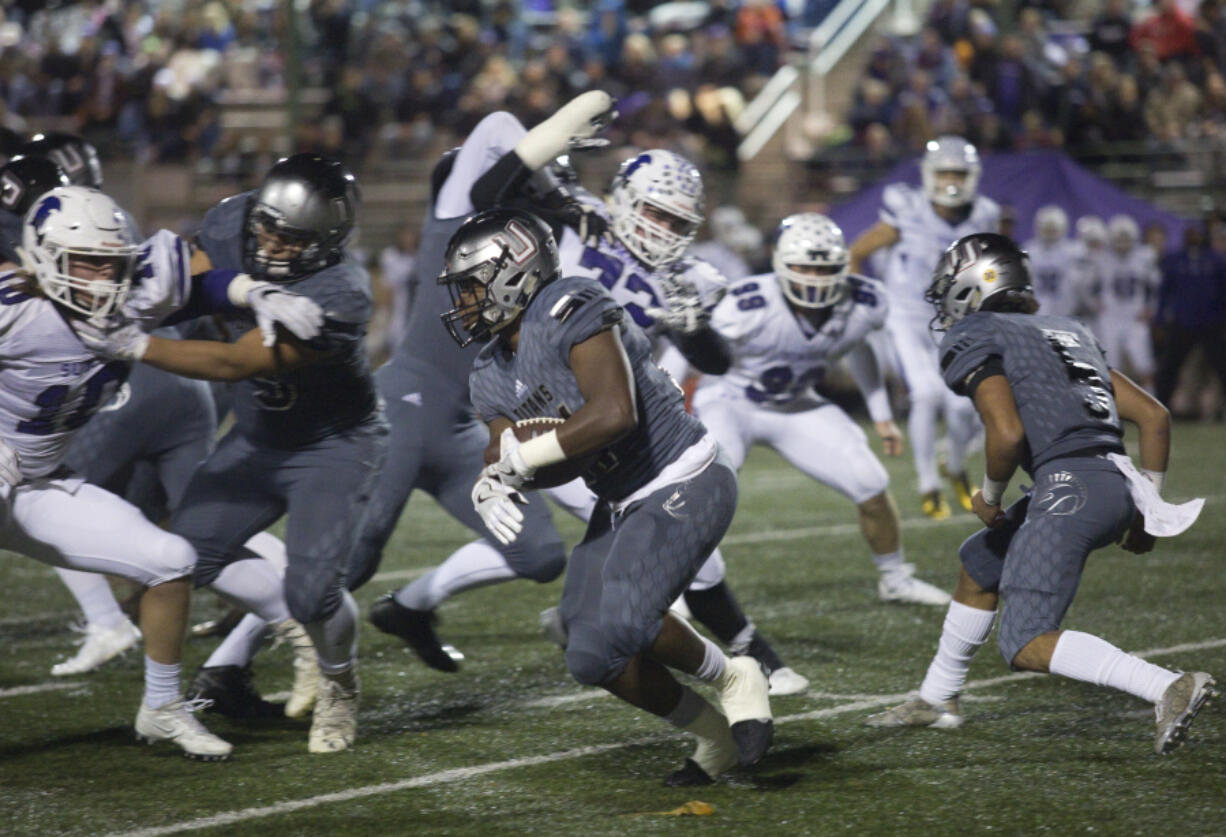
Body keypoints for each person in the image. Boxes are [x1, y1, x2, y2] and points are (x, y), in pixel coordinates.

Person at [453, 207, 773, 786]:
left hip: (683, 473)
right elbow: (518, 453)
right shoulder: (488, 371)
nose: (466, 303)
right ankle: (713, 737)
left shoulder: (568, 304)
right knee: (590, 652)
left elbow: (614, 414)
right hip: (622, 500)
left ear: (513, 270)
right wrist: (498, 477)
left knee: (628, 617)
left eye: (472, 285)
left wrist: (522, 458)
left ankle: (733, 676)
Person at [2, 184, 323, 759]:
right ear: (47, 257)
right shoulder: (13, 308)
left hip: (35, 485)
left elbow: (201, 288)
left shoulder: (131, 292)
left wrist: (253, 290)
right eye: (88, 263)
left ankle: (161, 708)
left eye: (112, 263)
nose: (103, 278)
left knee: (170, 561)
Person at [80, 154, 386, 754]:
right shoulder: (231, 223)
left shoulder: (340, 293)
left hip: (331, 444)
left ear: (326, 242)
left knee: (314, 591)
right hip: (255, 434)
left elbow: (232, 362)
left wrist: (133, 343)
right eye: (265, 227)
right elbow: (182, 283)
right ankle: (296, 629)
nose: (269, 242)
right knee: (182, 555)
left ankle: (340, 683)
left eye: (289, 236)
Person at [866, 232, 1215, 755]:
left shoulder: (977, 332)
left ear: (969, 287)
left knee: (1025, 641)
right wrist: (1146, 510)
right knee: (980, 564)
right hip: (1116, 482)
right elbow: (1154, 417)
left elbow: (1006, 434)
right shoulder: (1068, 327)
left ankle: (1166, 686)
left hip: (1069, 485)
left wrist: (987, 495)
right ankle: (937, 698)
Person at [348, 96, 614, 671]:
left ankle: (412, 608)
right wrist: (556, 166)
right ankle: (232, 659)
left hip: (459, 427)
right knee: (353, 558)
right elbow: (497, 134)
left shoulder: (541, 252)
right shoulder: (461, 218)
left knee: (541, 553)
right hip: (403, 408)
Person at [693, 213, 950, 606]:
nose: (814, 276)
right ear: (780, 262)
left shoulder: (863, 301)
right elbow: (689, 349)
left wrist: (881, 416)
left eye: (824, 267)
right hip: (731, 401)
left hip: (797, 404)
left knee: (870, 481)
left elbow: (859, 344)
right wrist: (667, 395)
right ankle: (678, 586)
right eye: (804, 266)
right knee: (703, 490)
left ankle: (894, 578)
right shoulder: (747, 301)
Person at [849, 135, 1001, 519]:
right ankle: (928, 484)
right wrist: (861, 301)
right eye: (945, 171)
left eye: (958, 172)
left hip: (954, 318)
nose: (951, 180)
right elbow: (857, 253)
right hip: (905, 315)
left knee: (963, 405)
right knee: (925, 395)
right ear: (929, 175)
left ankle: (954, 468)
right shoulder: (908, 207)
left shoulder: (984, 213)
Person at [1153, 222, 1226, 410]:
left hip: (1212, 322)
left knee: (1221, 366)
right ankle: (1160, 405)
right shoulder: (1175, 260)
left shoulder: (1216, 261)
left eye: (1197, 233)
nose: (1194, 237)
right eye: (1191, 233)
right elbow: (1164, 292)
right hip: (1183, 321)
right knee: (1170, 366)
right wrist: (1160, 319)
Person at [1096, 215, 1160, 391]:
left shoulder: (1144, 257)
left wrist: (1150, 309)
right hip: (1111, 317)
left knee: (1144, 364)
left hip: (1135, 316)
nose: (1122, 243)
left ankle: (1152, 404)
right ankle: (1110, 406)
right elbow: (1088, 285)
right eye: (1119, 239)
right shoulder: (1102, 258)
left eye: (1126, 239)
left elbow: (1154, 287)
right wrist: (1095, 303)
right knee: (1109, 365)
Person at [1023, 205, 1081, 317]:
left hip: (1065, 310)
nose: (1050, 234)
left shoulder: (1073, 251)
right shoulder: (1030, 250)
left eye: (1053, 230)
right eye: (1047, 230)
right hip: (1037, 311)